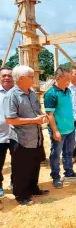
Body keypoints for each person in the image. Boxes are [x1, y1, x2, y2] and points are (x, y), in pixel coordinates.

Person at [4, 65, 49, 205]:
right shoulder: (11, 96)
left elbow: (36, 111)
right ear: (22, 79)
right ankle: (21, 195)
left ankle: (33, 188)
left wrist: (42, 116)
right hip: (21, 139)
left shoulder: (31, 93)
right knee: (21, 169)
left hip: (35, 137)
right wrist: (34, 120)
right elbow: (10, 119)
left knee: (34, 165)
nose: (34, 78)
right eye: (31, 76)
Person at [44, 67, 76, 189]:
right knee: (56, 154)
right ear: (58, 78)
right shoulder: (51, 94)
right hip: (59, 130)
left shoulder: (68, 90)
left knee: (68, 152)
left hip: (70, 128)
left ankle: (69, 172)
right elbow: (49, 115)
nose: (69, 81)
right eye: (67, 79)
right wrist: (55, 131)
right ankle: (56, 176)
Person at [0, 67, 14, 198]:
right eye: (4, 75)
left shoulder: (19, 92)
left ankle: (15, 183)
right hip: (0, 135)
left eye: (9, 75)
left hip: (17, 135)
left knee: (18, 162)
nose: (7, 78)